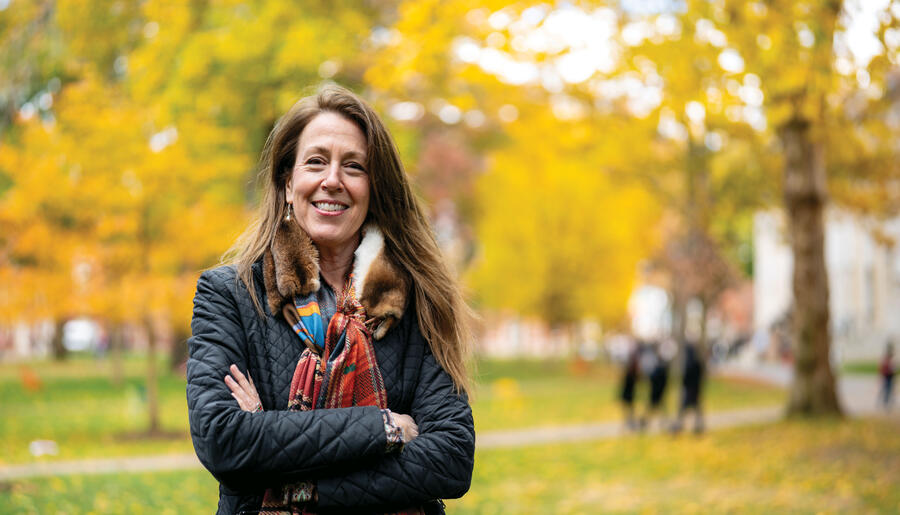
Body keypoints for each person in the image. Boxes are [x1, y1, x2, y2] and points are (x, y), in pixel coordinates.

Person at [187, 84, 475, 514]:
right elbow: (224, 440)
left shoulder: (415, 301)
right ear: (287, 183)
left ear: (374, 190)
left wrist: (289, 469)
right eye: (316, 162)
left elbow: (451, 459)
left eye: (354, 167)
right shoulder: (230, 296)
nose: (333, 180)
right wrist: (385, 428)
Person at [670, 341, 705, 435]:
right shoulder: (697, 363)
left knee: (684, 410)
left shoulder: (690, 364)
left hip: (690, 391)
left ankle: (680, 426)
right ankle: (697, 427)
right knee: (695, 410)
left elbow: (687, 379)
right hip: (695, 391)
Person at [879, 341, 895, 411]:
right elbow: (882, 368)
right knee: (886, 389)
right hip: (887, 376)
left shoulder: (889, 360)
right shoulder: (886, 360)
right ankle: (885, 402)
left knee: (888, 389)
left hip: (890, 376)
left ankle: (887, 402)